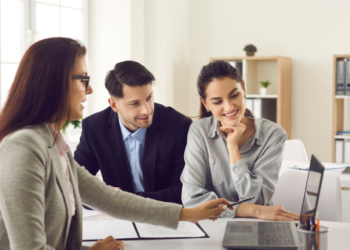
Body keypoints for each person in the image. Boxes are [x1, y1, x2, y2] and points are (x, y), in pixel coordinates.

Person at [0, 38, 232, 250]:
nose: (89, 89)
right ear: (53, 84)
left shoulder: (52, 144)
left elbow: (108, 198)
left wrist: (188, 214)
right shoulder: (23, 147)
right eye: (83, 80)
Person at [181, 60, 300, 221]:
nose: (229, 107)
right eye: (217, 101)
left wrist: (233, 148)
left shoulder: (274, 134)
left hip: (258, 225)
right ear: (205, 103)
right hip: (214, 226)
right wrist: (251, 210)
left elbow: (258, 199)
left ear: (243, 88)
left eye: (234, 95)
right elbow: (192, 201)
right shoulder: (199, 132)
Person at [74, 60, 191, 204]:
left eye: (149, 98)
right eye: (135, 103)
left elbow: (184, 191)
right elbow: (75, 185)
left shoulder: (178, 125)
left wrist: (125, 201)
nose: (147, 110)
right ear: (114, 105)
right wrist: (106, 198)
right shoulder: (93, 128)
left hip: (166, 218)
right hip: (117, 220)